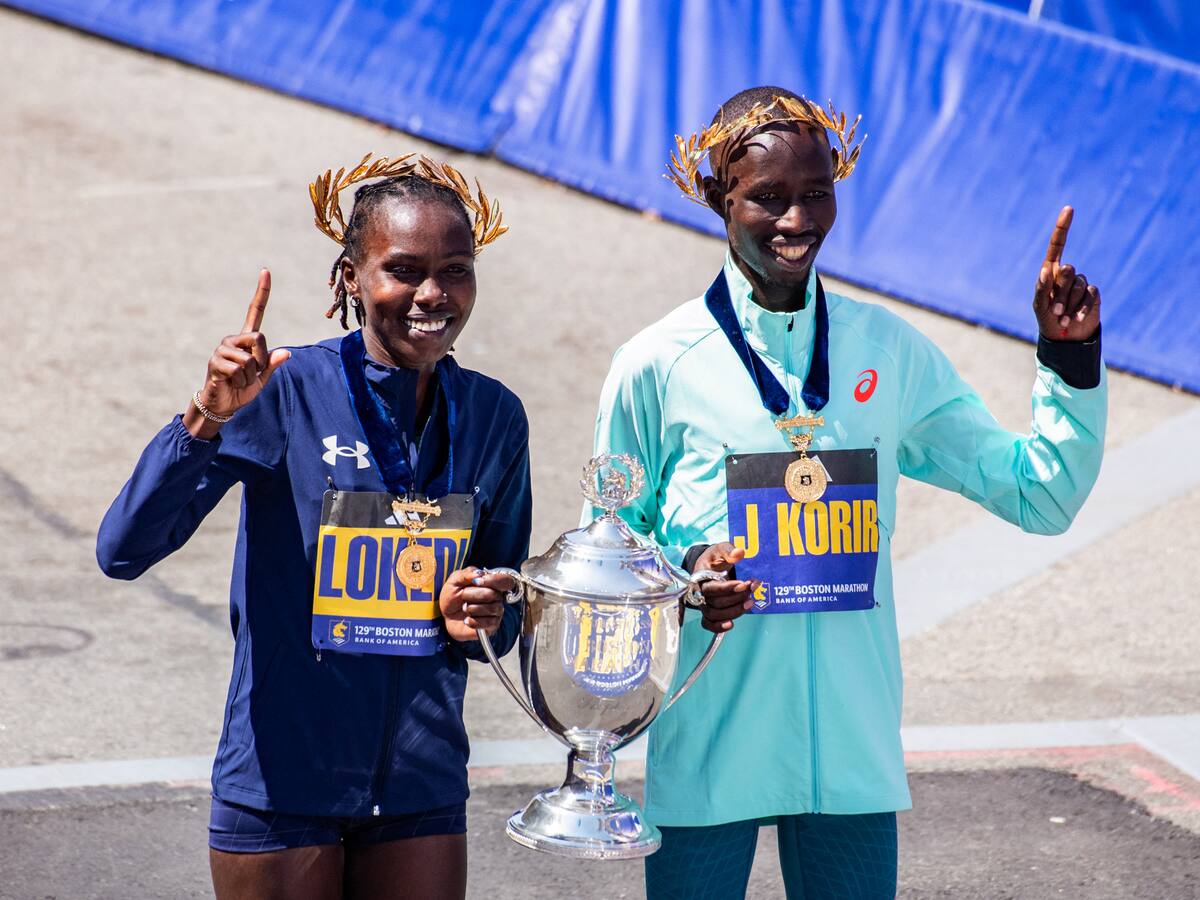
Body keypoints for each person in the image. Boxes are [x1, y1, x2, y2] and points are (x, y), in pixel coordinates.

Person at [589, 87, 1106, 898]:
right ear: (718, 196)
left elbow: (1039, 494)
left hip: (850, 761)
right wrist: (687, 576)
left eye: (816, 192)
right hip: (709, 745)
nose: (797, 220)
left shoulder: (886, 351)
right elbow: (601, 557)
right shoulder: (655, 364)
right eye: (768, 197)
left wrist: (1069, 359)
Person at [97, 154, 529, 900]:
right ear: (351, 278)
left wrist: (484, 612)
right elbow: (124, 549)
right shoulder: (283, 388)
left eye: (455, 271)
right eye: (403, 270)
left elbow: (504, 608)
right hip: (282, 782)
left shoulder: (495, 415)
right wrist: (205, 419)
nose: (432, 294)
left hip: (421, 785)